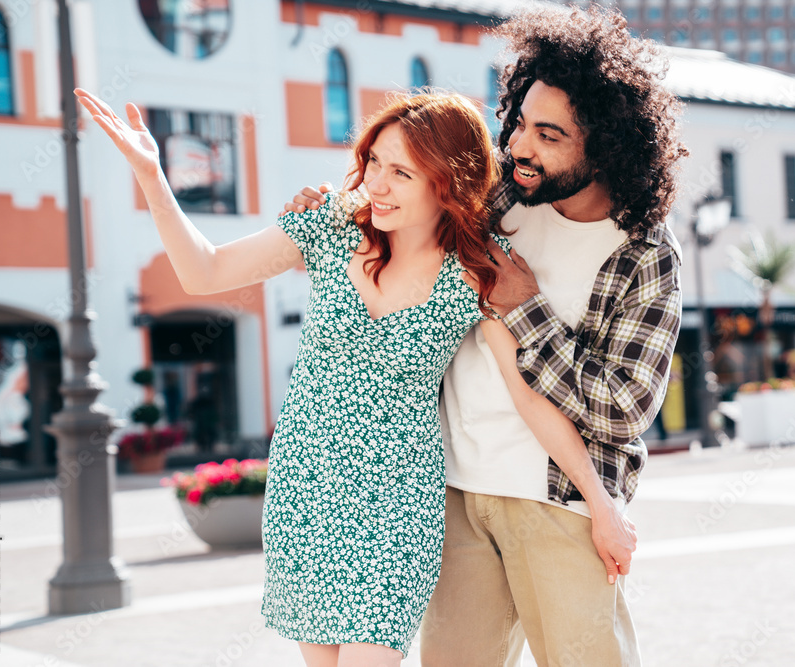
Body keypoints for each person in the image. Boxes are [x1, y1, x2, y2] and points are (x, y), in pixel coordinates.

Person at [75, 87, 619, 667]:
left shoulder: (476, 273)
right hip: (306, 485)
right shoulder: (331, 226)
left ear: (447, 183)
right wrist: (152, 177)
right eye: (374, 162)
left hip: (396, 501)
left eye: (401, 173)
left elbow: (528, 397)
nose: (377, 184)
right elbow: (204, 272)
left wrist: (601, 503)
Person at [286, 6, 686, 665]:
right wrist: (328, 210)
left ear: (607, 146)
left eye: (549, 135)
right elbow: (399, 206)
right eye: (521, 123)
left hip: (558, 501)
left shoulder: (643, 252)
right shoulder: (494, 196)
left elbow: (623, 408)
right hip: (453, 492)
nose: (521, 146)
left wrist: (526, 309)